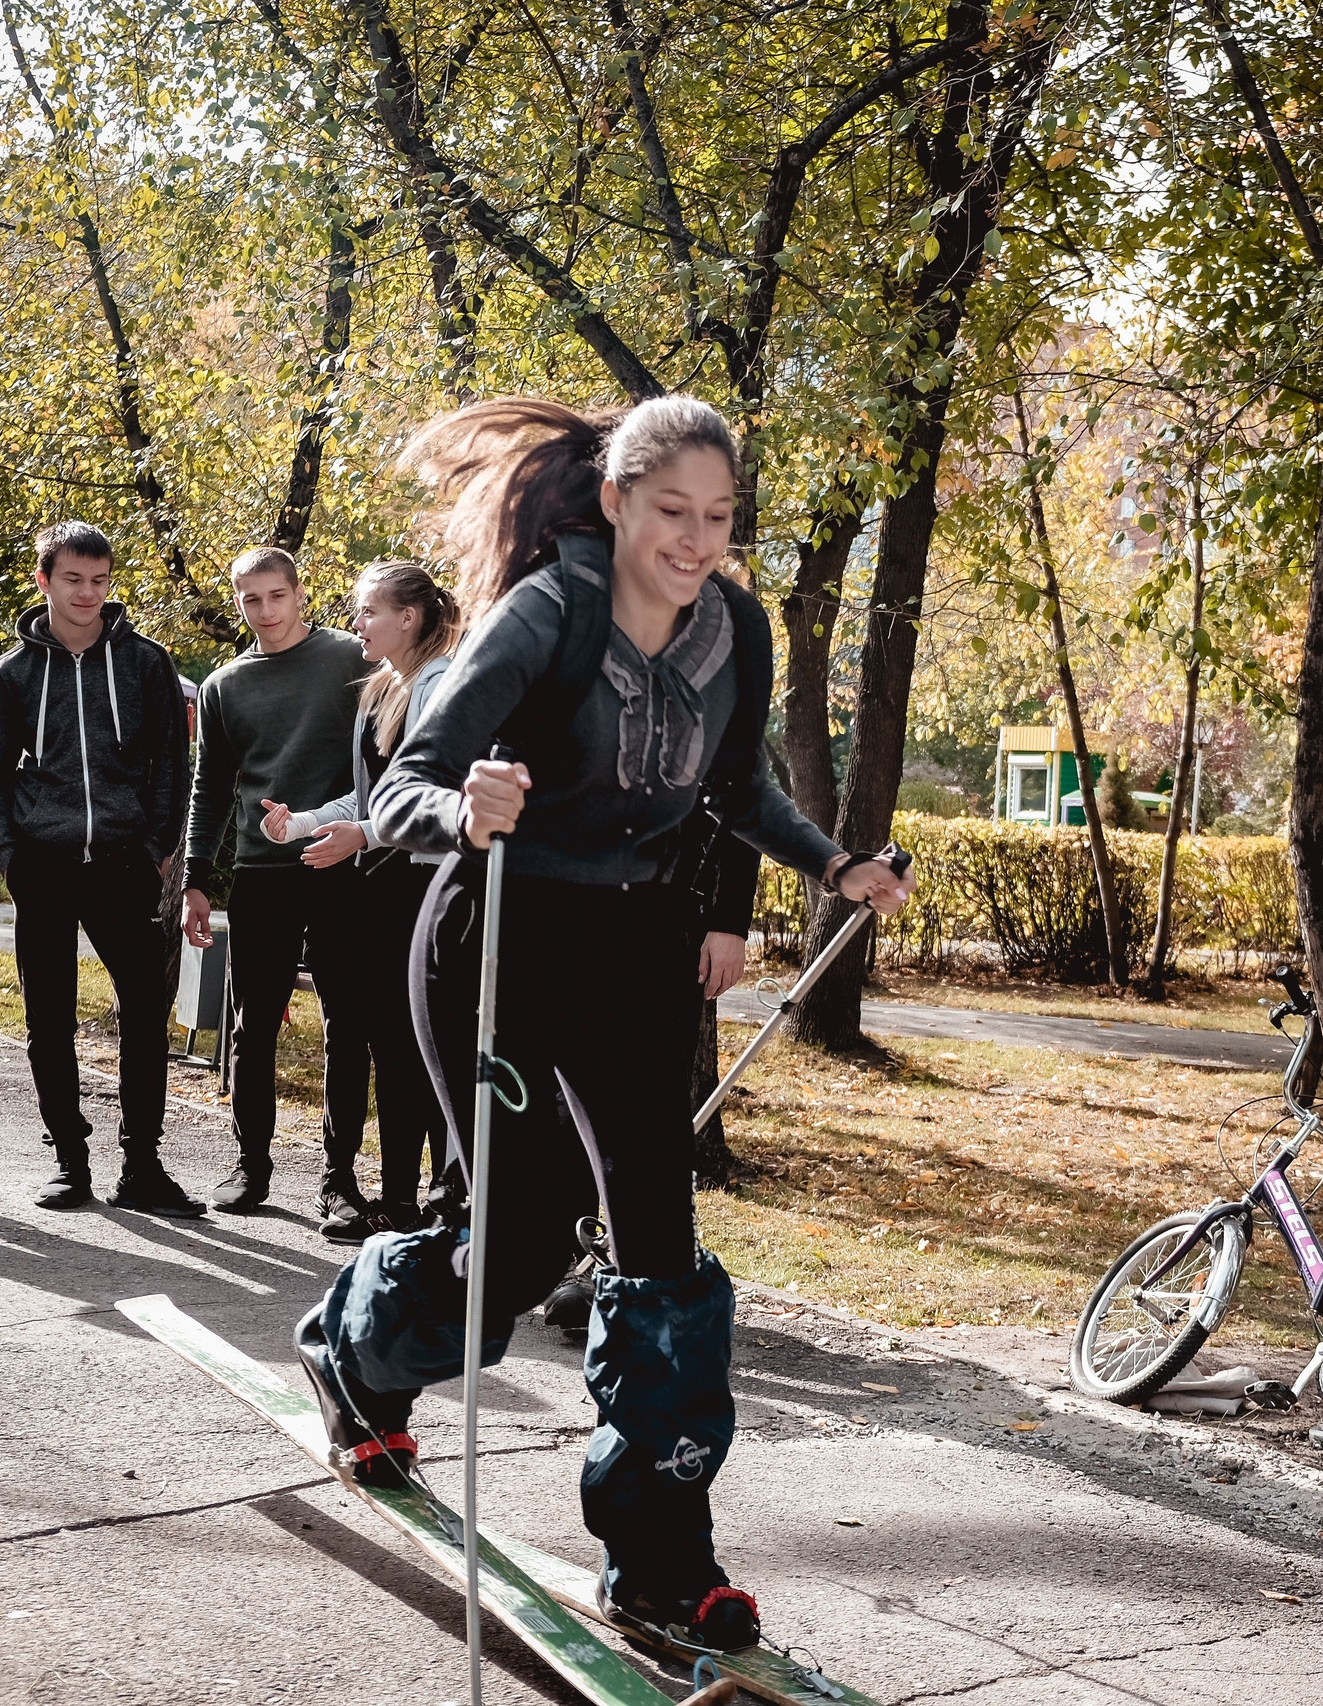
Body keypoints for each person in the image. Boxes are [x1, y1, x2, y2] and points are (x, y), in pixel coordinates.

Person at [292, 395, 913, 1654]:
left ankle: (662, 1556)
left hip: (634, 950)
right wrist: (467, 805)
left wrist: (833, 864)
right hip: (501, 942)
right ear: (619, 502)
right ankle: (359, 1348)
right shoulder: (548, 612)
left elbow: (736, 789)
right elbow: (409, 783)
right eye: (672, 511)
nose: (696, 540)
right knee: (515, 1250)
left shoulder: (732, 625)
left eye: (720, 518)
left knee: (661, 1253)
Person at [0, 521, 202, 1216]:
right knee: (50, 1018)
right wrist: (7, 855)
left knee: (143, 1013)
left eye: (99, 580)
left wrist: (161, 845)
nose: (88, 593)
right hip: (42, 863)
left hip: (125, 864)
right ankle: (70, 1160)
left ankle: (143, 1165)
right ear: (44, 581)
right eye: (73, 579)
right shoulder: (12, 673)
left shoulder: (145, 662)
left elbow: (172, 762)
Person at [258, 560, 460, 1240]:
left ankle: (443, 1202)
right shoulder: (380, 688)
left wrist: (362, 836)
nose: (356, 622)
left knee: (430, 1047)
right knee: (395, 1045)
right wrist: (308, 821)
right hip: (384, 888)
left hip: (432, 890)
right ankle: (400, 1198)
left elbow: (439, 804)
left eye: (368, 610)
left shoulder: (441, 688)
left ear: (409, 618)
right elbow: (368, 798)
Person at [180, 547, 373, 1219]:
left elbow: (390, 751)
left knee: (348, 1025)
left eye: (276, 596)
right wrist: (194, 877)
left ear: (298, 593)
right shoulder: (224, 686)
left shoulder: (353, 658)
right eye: (250, 599)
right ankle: (250, 1165)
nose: (265, 611)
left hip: (342, 864)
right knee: (251, 1027)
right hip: (262, 875)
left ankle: (339, 1180)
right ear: (237, 601)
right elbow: (211, 786)